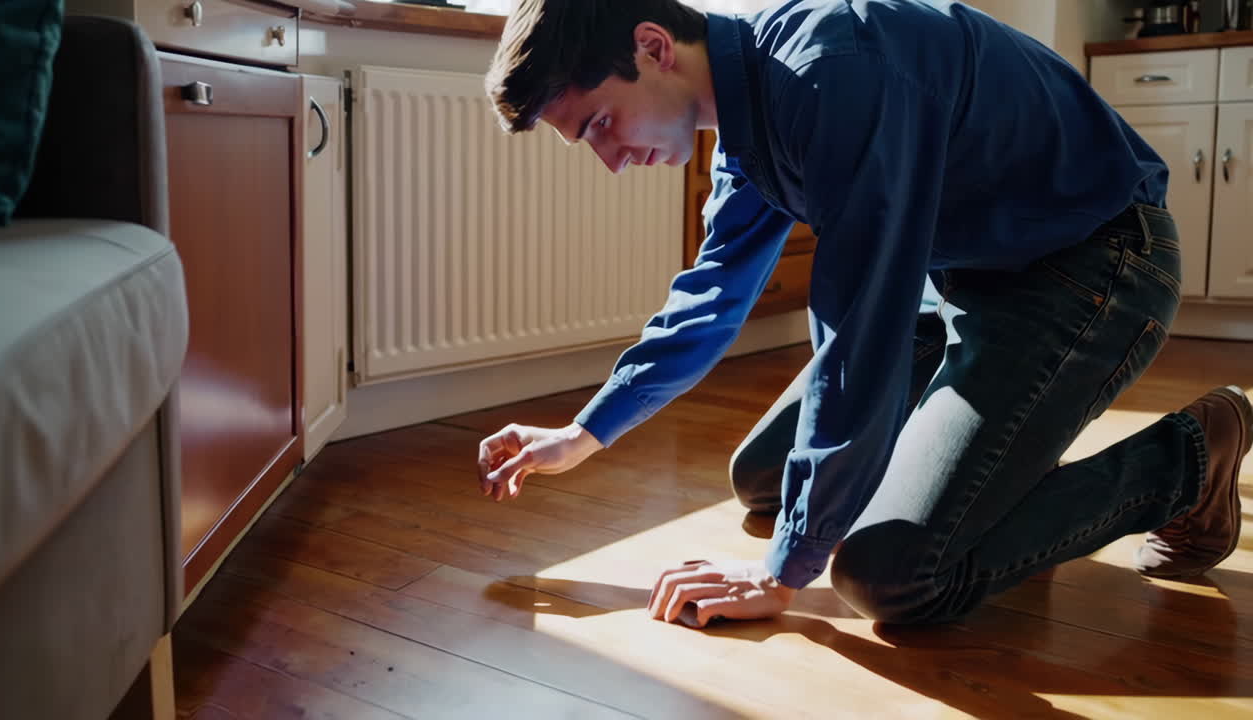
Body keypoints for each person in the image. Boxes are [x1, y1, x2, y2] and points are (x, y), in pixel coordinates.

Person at [474, 0, 1252, 628]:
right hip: (965, 281)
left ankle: (1187, 460)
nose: (611, 161)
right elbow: (710, 297)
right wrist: (583, 434)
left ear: (653, 47)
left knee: (889, 578)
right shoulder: (748, 118)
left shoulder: (828, 77)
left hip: (1096, 267)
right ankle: (1002, 458)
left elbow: (860, 339)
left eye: (600, 124)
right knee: (765, 479)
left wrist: (781, 574)